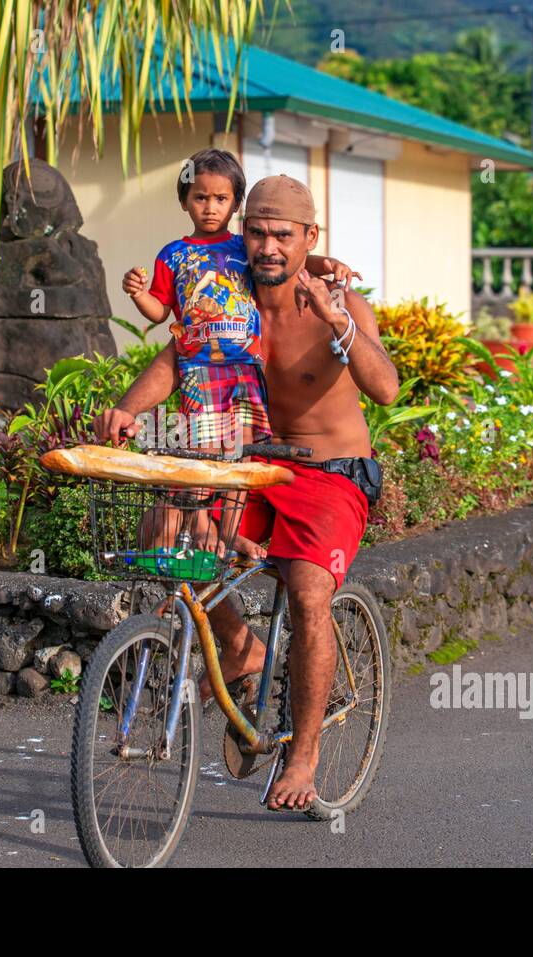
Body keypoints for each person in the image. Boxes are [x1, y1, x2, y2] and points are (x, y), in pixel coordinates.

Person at [95, 174, 400, 812]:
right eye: (256, 231)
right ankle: (240, 649)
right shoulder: (224, 295)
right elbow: (180, 357)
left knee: (309, 590)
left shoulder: (337, 301)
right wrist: (127, 408)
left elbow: (386, 387)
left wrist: (337, 319)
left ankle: (305, 755)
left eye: (283, 235)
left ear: (309, 237)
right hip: (248, 462)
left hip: (330, 472)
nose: (268, 246)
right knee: (166, 532)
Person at [119, 148, 356, 550]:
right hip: (201, 370)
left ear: (235, 206)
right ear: (183, 201)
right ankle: (222, 540)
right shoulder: (174, 256)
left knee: (240, 459)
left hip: (244, 370)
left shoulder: (241, 251)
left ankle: (230, 537)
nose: (210, 208)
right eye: (200, 198)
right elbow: (159, 313)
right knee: (203, 458)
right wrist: (139, 294)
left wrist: (327, 263)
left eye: (221, 199)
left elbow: (290, 257)